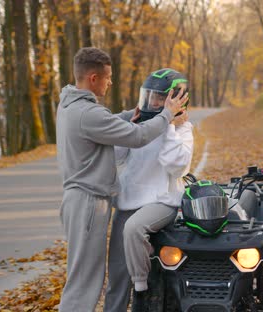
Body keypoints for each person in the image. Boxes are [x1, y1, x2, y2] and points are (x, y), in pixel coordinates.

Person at [56, 48, 188, 312]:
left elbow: (107, 123)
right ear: (93, 78)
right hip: (89, 202)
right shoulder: (89, 114)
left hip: (78, 200)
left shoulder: (69, 104)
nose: (110, 82)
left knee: (83, 274)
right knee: (85, 281)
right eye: (107, 77)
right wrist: (166, 115)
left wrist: (133, 114)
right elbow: (136, 137)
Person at [103, 68, 193, 312]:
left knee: (134, 228)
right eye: (149, 96)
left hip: (162, 201)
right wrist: (128, 130)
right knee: (117, 277)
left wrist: (170, 127)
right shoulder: (142, 124)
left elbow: (175, 167)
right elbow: (118, 158)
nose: (151, 102)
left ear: (176, 99)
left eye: (158, 98)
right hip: (128, 202)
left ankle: (141, 291)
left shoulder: (183, 130)